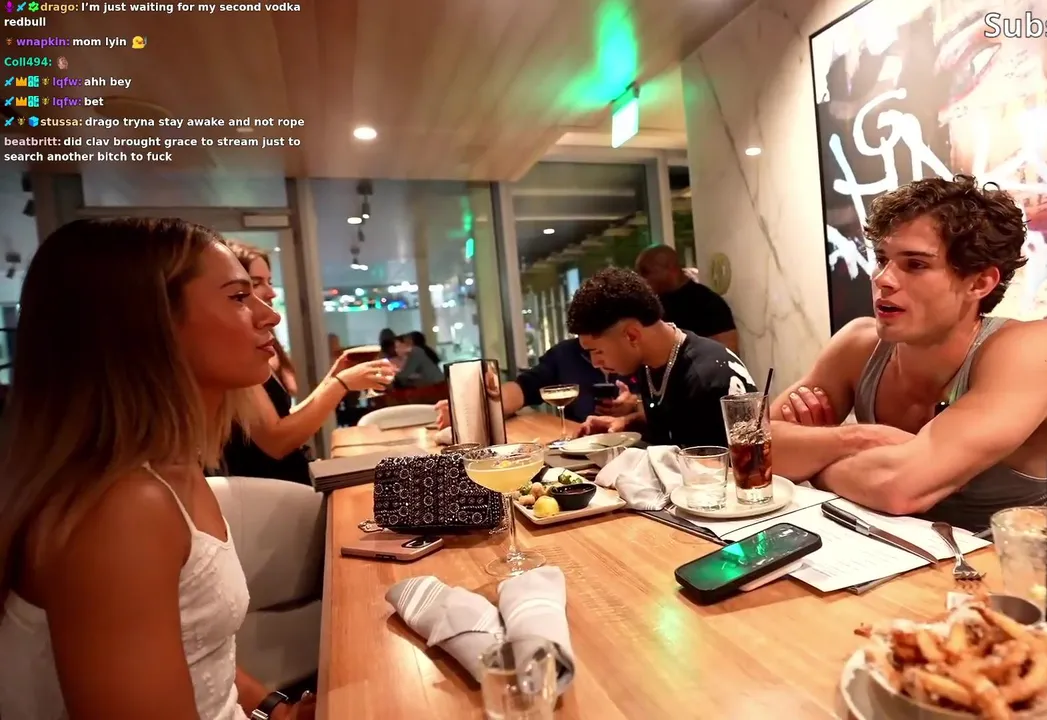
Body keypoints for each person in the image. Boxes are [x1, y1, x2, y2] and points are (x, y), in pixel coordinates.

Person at [0, 218, 315, 719]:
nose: (268, 315)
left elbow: (193, 647)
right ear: (148, 325)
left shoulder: (172, 468)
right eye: (239, 297)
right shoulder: (120, 509)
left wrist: (277, 711)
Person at [770, 177, 1047, 533]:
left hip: (1007, 561)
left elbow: (898, 490)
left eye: (915, 264)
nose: (883, 279)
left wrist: (811, 462)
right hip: (882, 553)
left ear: (979, 282)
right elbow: (754, 450)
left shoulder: (1038, 350)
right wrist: (857, 439)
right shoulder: (858, 344)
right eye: (882, 259)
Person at [220, 241, 395, 485]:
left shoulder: (262, 347)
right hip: (273, 489)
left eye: (269, 281)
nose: (271, 293)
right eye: (256, 283)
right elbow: (276, 442)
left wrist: (334, 377)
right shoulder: (233, 353)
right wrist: (340, 384)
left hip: (293, 477)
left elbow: (282, 420)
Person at [570, 267, 756, 447]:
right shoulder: (651, 361)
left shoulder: (706, 379)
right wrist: (625, 423)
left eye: (597, 351)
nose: (595, 363)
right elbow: (675, 422)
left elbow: (715, 464)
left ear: (632, 336)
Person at [435, 336, 639, 429]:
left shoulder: (638, 354)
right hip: (582, 448)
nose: (595, 361)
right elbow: (523, 388)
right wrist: (473, 408)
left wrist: (635, 405)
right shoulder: (565, 354)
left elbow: (654, 409)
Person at [635, 245, 739, 353]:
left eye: (645, 272)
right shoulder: (651, 306)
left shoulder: (707, 303)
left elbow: (727, 352)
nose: (641, 279)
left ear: (671, 268)